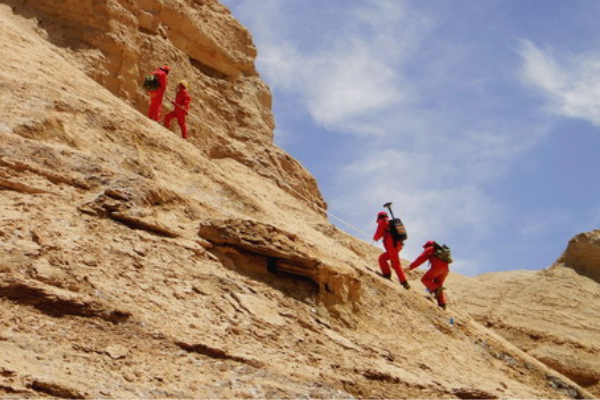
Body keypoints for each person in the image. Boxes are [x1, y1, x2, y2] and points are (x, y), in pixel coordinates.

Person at [407, 241, 450, 309]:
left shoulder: (430, 249)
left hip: (438, 268)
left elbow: (420, 259)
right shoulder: (439, 251)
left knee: (425, 279)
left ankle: (436, 289)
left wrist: (410, 267)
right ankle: (442, 303)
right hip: (446, 270)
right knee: (438, 283)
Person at [373, 211, 410, 289]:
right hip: (397, 245)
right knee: (382, 258)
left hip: (392, 246)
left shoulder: (383, 222)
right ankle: (387, 274)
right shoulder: (390, 223)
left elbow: (378, 233)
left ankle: (404, 283)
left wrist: (375, 238)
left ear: (379, 217)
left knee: (396, 264)